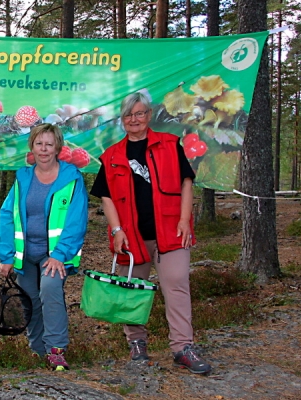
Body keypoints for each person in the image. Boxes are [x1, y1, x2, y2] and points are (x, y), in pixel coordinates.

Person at [90, 92, 212, 374]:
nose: (134, 119)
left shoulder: (169, 144)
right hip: (131, 236)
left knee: (177, 284)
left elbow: (186, 182)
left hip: (170, 232)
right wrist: (117, 230)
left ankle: (183, 347)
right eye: (129, 115)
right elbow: (105, 196)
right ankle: (136, 344)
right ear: (122, 120)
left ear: (149, 115)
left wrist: (184, 219)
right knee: (131, 291)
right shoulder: (111, 156)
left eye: (140, 113)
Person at [0, 123, 88, 371]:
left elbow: (76, 220)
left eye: (49, 144)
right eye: (39, 143)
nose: (44, 149)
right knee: (30, 300)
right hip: (25, 255)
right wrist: (6, 255)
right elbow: (7, 215)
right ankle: (37, 349)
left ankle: (56, 350)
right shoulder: (22, 178)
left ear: (58, 147)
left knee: (49, 291)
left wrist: (60, 255)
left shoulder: (72, 178)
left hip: (55, 256)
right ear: (32, 147)